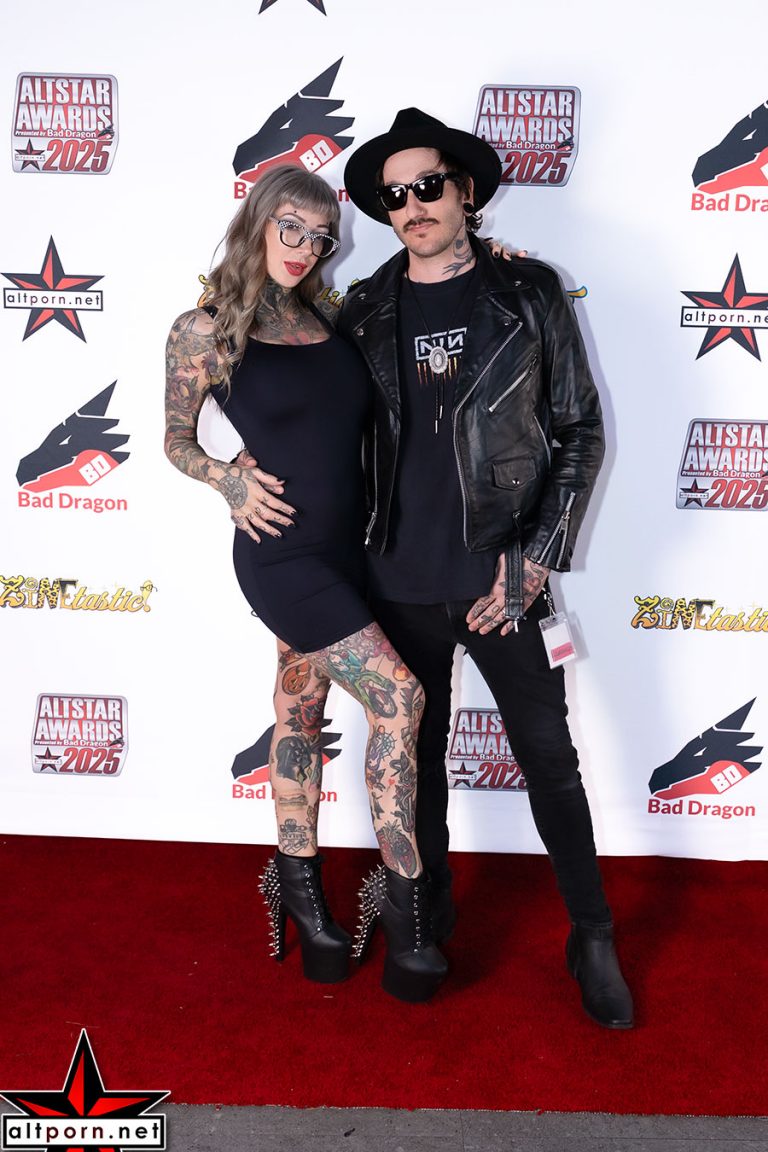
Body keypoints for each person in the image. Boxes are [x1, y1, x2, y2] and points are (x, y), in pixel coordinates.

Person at [334, 107, 634, 1029]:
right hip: (395, 581)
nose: (414, 206)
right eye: (395, 195)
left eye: (429, 186)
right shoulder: (363, 308)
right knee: (415, 767)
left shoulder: (529, 293)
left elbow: (580, 430)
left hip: (504, 581)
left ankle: (592, 935)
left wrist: (537, 559)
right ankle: (426, 923)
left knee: (550, 761)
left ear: (465, 192)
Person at [163, 164, 446, 1002]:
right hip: (281, 555)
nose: (304, 247)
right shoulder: (205, 329)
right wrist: (226, 478)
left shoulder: (329, 315)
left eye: (320, 237)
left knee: (299, 708)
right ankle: (408, 914)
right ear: (256, 221)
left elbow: (411, 293)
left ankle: (301, 893)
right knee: (399, 697)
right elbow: (175, 438)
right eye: (290, 227)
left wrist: (489, 255)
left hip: (350, 549)